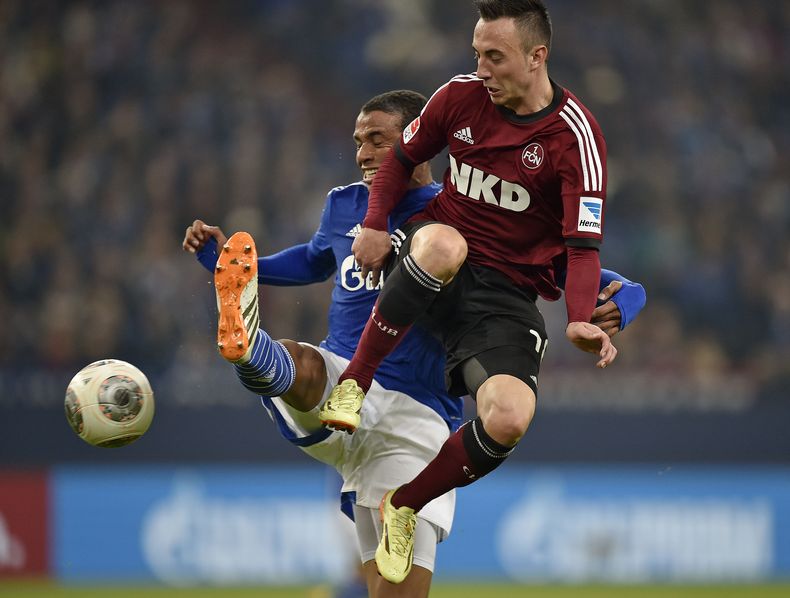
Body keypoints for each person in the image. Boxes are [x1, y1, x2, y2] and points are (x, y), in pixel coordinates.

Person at [182, 90, 645, 596]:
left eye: (377, 140)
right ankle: (250, 347)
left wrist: (629, 300)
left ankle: (259, 357)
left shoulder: (462, 213)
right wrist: (229, 264)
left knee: (393, 592)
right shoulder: (344, 206)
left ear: (417, 141)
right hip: (343, 385)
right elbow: (315, 261)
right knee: (300, 360)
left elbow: (579, 265)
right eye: (358, 142)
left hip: (418, 418)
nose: (362, 153)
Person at [317, 0, 626, 584]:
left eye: (495, 57)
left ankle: (404, 504)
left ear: (538, 57)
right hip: (433, 252)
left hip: (505, 298)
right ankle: (354, 381)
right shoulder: (458, 97)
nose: (481, 68)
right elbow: (401, 159)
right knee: (444, 248)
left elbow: (582, 250)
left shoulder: (575, 141)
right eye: (476, 54)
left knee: (510, 417)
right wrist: (379, 224)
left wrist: (580, 319)